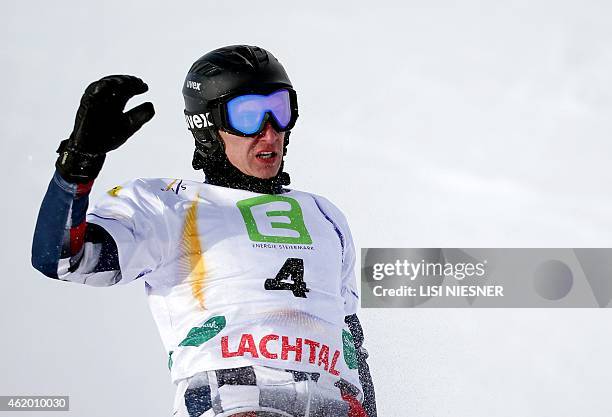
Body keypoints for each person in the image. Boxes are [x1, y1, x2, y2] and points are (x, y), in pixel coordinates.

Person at [32, 45, 376, 417]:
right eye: (247, 115)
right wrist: (78, 163)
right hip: (234, 401)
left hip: (331, 405)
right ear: (207, 127)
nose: (270, 132)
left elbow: (351, 343)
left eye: (279, 109)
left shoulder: (325, 216)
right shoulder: (169, 205)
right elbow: (61, 258)